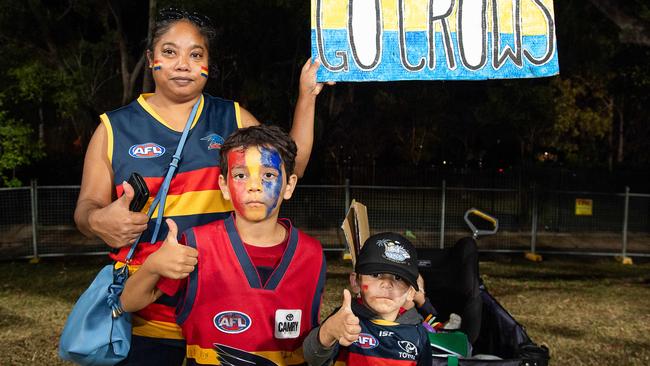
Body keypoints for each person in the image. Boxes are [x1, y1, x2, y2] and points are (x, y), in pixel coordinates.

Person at [73, 8, 326, 365]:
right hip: (147, 316)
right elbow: (85, 209)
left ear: (208, 62)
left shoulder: (232, 117)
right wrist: (98, 220)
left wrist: (307, 96)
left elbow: (289, 165)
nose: (183, 64)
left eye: (196, 54)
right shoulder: (114, 129)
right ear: (150, 59)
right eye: (170, 52)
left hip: (222, 310)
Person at [120, 125, 326, 366]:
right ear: (224, 186)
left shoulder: (311, 254)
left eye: (268, 175)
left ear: (289, 185)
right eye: (241, 175)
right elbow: (128, 302)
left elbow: (313, 340)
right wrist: (153, 266)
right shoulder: (196, 245)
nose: (254, 186)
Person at [303, 232, 433, 366]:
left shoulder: (418, 334)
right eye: (376, 274)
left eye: (398, 278)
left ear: (411, 292)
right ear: (356, 282)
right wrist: (328, 331)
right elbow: (312, 358)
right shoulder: (345, 319)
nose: (386, 284)